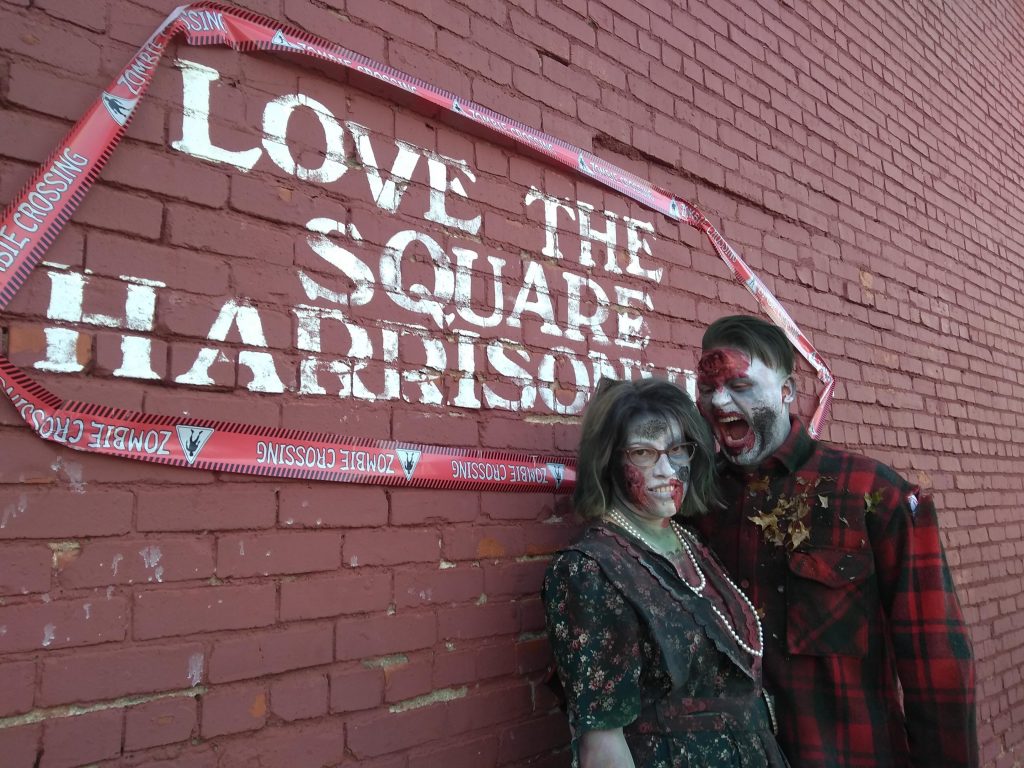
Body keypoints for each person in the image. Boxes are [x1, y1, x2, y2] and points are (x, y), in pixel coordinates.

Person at [692, 314, 977, 768]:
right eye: (707, 388)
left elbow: (936, 666)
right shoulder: (696, 505)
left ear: (787, 392)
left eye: (741, 386)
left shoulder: (874, 495)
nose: (719, 400)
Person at [543, 377, 790, 768]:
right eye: (643, 452)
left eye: (677, 450)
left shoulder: (689, 541)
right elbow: (602, 746)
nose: (667, 470)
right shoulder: (590, 570)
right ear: (609, 462)